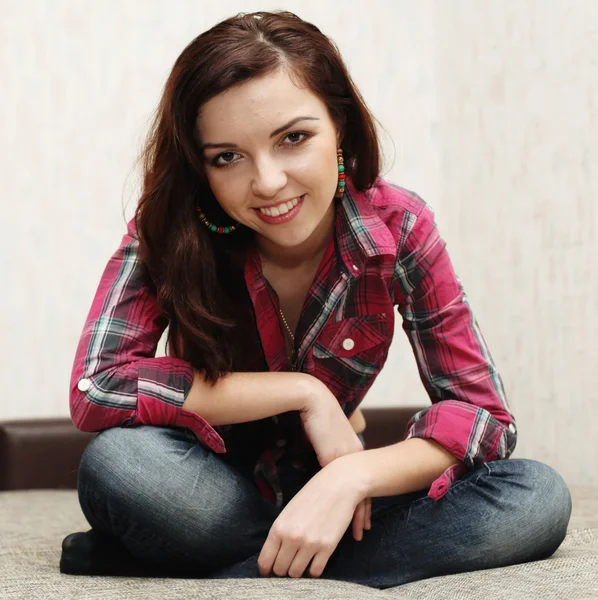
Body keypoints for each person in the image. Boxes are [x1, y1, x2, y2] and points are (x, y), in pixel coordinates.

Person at [60, 10, 572, 589]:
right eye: (227, 156)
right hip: (213, 492)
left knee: (535, 497)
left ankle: (219, 567)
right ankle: (296, 560)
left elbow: (484, 416)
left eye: (293, 138)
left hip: (339, 496)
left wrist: (352, 477)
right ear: (200, 167)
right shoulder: (167, 229)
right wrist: (308, 394)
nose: (269, 182)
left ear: (342, 130)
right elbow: (96, 387)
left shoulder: (399, 226)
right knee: (120, 467)